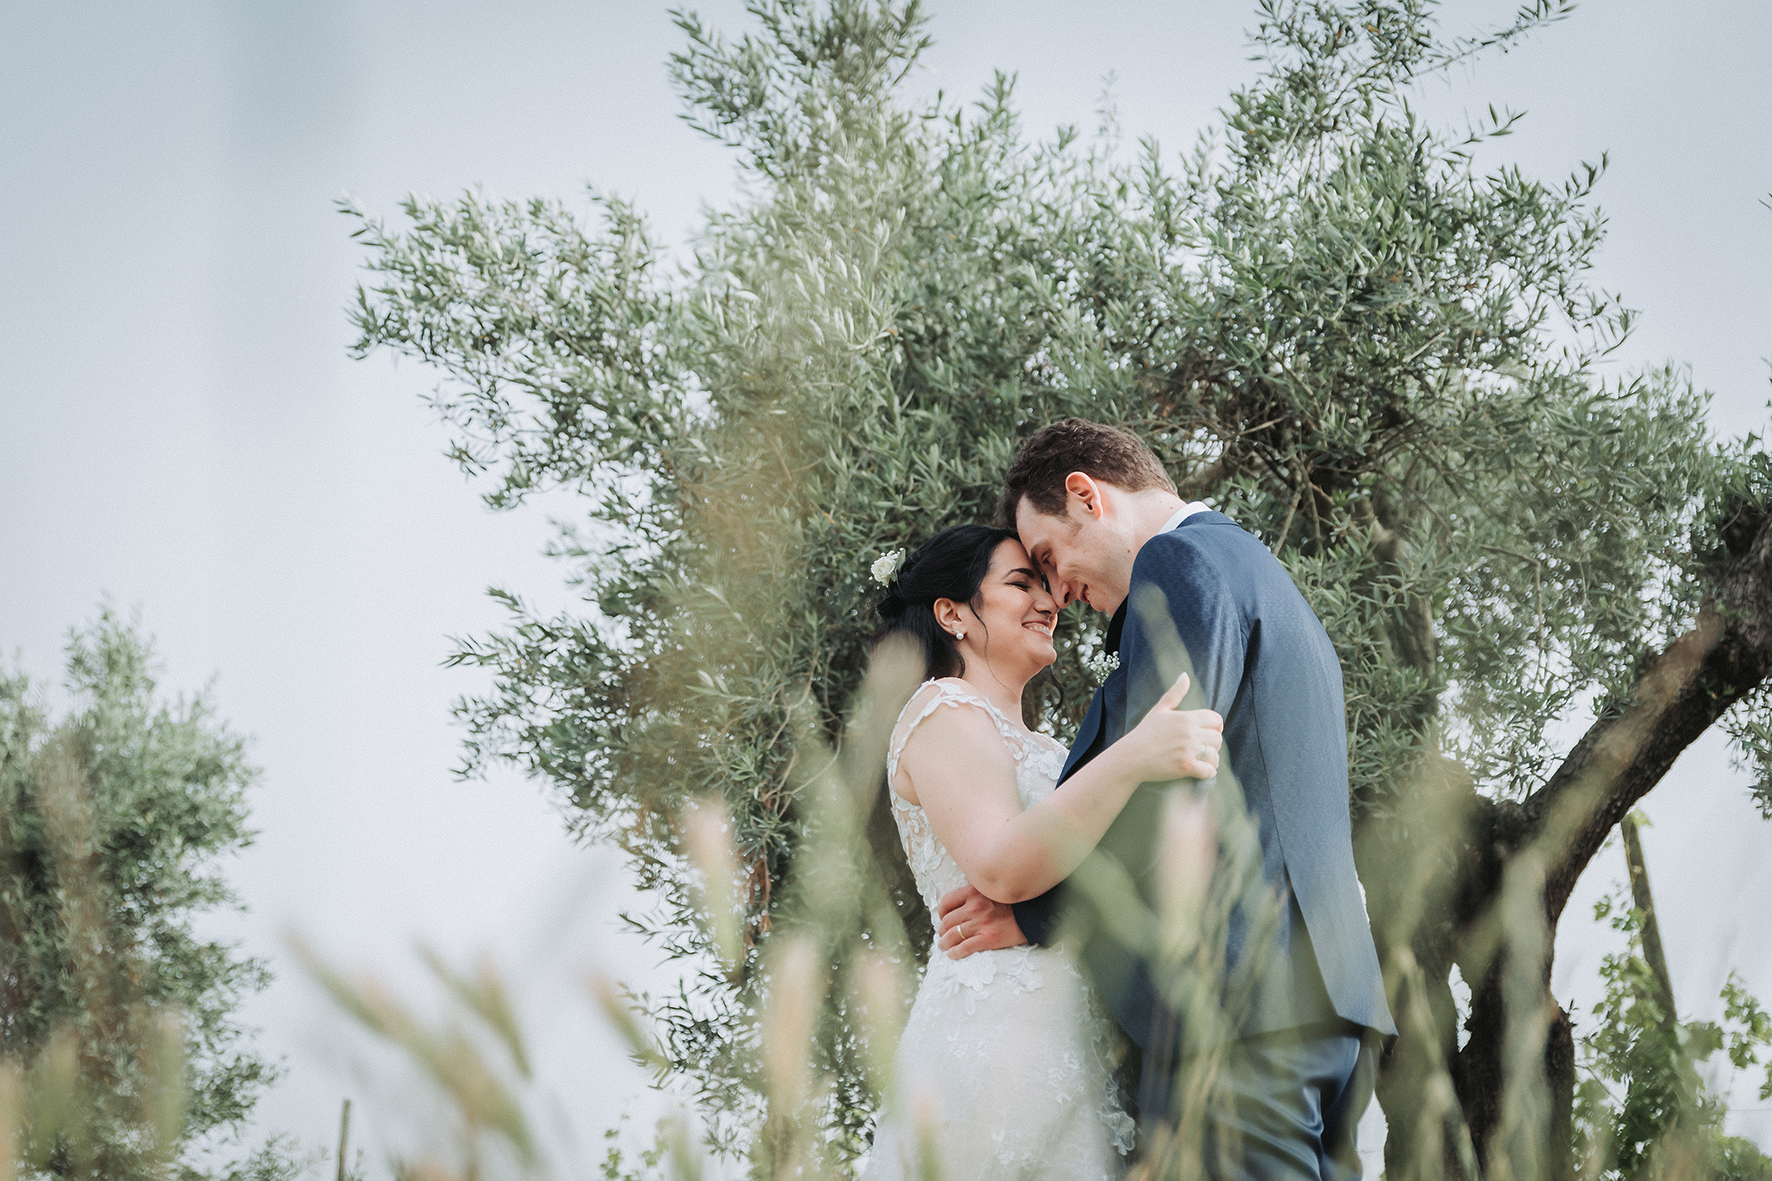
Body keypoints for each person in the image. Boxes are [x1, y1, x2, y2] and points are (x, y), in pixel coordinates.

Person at [935, 419, 1396, 1180]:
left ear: (1086, 495)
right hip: (1327, 1002)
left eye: (1050, 557)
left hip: (1241, 1009)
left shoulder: (1177, 565)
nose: (1061, 591)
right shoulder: (1252, 569)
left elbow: (1169, 783)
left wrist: (1031, 914)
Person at [864, 523, 1225, 1180]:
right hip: (996, 1041)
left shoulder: (1051, 749)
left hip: (1076, 1039)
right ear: (952, 614)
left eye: (1049, 585)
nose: (1050, 600)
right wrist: (1136, 755)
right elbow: (1002, 864)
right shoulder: (939, 710)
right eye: (1020, 583)